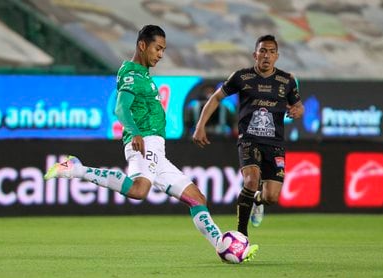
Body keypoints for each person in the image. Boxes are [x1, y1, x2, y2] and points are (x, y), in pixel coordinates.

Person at [44, 25, 258, 262]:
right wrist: (135, 132)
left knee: (197, 198)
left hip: (156, 150)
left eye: (163, 50)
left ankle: (222, 245)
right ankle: (76, 168)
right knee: (139, 190)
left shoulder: (142, 74)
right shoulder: (132, 75)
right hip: (144, 142)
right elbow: (120, 108)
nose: (160, 54)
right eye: (157, 48)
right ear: (142, 45)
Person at [193, 34, 304, 237]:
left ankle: (258, 200)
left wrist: (298, 110)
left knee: (272, 197)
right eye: (263, 51)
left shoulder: (287, 80)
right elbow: (216, 98)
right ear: (255, 54)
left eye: (271, 52)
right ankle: (241, 235)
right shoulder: (242, 77)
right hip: (249, 140)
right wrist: (200, 125)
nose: (266, 56)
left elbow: (298, 105)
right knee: (251, 181)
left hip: (275, 144)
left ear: (277, 56)